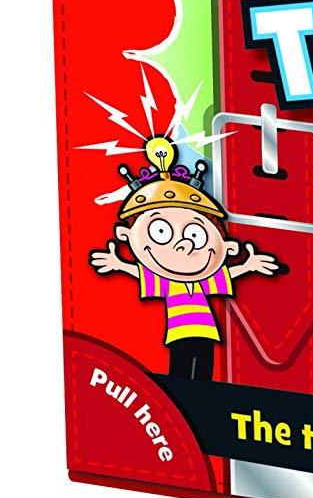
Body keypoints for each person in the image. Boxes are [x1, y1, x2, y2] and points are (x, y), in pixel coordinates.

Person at [89, 136, 282, 380]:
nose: (184, 244)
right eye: (161, 232)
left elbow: (228, 274)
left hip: (207, 332)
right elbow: (140, 273)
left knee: (204, 372)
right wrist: (119, 265)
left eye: (195, 234)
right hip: (179, 333)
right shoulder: (168, 283)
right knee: (180, 371)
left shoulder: (206, 281)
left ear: (228, 247)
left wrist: (248, 265)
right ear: (125, 235)